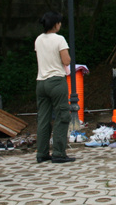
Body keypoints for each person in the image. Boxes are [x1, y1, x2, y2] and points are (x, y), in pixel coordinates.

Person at [33, 11, 75, 164]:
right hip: (56, 81)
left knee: (43, 118)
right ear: (55, 24)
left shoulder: (38, 39)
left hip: (41, 82)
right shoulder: (59, 39)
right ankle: (58, 152)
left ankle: (42, 153)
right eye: (59, 22)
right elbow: (66, 60)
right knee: (62, 116)